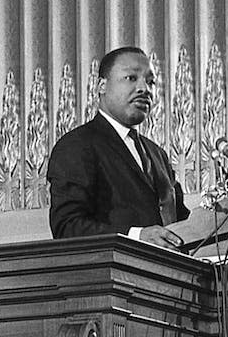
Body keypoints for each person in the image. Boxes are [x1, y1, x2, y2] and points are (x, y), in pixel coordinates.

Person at [47, 46, 189, 249]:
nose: (145, 89)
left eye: (150, 82)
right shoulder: (77, 146)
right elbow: (68, 228)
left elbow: (181, 222)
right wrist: (136, 237)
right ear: (102, 86)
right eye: (131, 78)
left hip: (169, 277)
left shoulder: (158, 155)